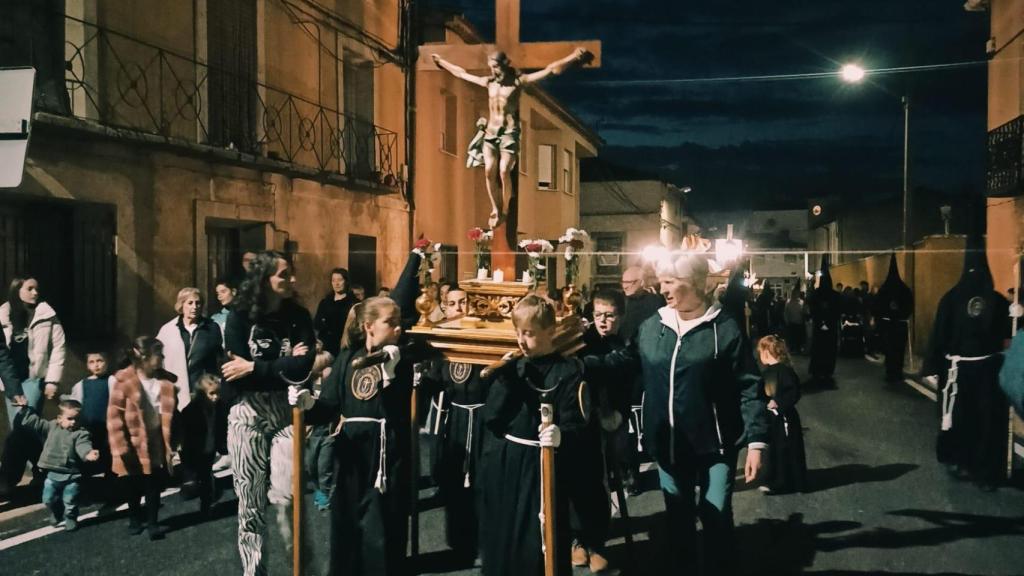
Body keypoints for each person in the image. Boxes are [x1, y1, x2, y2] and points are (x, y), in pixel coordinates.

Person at [584, 252, 768, 575]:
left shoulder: (724, 329)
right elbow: (623, 361)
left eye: (671, 282)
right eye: (662, 282)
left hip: (716, 445)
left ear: (695, 284)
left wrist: (756, 442)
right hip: (668, 443)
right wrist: (578, 366)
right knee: (679, 519)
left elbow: (749, 385)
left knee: (715, 514)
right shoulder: (654, 325)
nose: (663, 289)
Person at [290, 296, 412, 576]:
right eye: (390, 323)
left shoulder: (400, 358)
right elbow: (329, 406)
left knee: (382, 522)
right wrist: (307, 403)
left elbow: (398, 408)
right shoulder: (348, 358)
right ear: (369, 326)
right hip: (350, 451)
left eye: (398, 322)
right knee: (346, 519)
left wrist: (391, 374)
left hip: (385, 451)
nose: (398, 329)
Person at [478, 295, 589, 576]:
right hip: (506, 463)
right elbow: (492, 419)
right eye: (517, 332)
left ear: (550, 331)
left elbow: (578, 423)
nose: (521, 341)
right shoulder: (514, 369)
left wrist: (562, 434)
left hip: (541, 466)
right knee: (502, 536)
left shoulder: (569, 370)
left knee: (536, 539)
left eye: (529, 333)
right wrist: (504, 381)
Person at [221, 251, 316, 575]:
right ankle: (254, 571)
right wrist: (282, 365)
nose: (291, 280)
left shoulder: (298, 316)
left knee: (289, 499)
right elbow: (232, 371)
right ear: (265, 280)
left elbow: (304, 367)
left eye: (291, 273)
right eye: (283, 275)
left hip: (285, 412)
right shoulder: (239, 317)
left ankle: (302, 568)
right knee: (250, 505)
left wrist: (255, 366)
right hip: (246, 413)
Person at [432, 48, 589, 229]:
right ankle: (496, 208)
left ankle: (506, 207)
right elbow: (461, 74)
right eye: (491, 67)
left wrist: (572, 57)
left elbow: (550, 70)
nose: (493, 71)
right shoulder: (489, 83)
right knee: (489, 170)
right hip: (491, 132)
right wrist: (442, 62)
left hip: (508, 132)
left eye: (496, 67)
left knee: (504, 170)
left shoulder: (518, 82)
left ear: (505, 66)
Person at [924, 232, 1010, 490]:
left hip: (977, 369)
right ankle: (968, 463)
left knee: (981, 420)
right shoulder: (985, 300)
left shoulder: (990, 301)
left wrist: (1017, 314)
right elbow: (941, 333)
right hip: (965, 370)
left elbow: (1006, 336)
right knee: (971, 419)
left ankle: (978, 468)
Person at [419, 284, 491, 564]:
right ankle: (461, 545)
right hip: (456, 419)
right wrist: (420, 381)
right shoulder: (443, 339)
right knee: (454, 484)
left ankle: (484, 543)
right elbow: (436, 380)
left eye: (464, 302)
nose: (459, 308)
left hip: (483, 420)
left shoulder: (483, 336)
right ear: (445, 307)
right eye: (453, 303)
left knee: (482, 484)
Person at [571, 288, 629, 573]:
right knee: (579, 481)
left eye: (609, 315)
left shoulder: (626, 342)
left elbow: (622, 368)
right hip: (580, 424)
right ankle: (578, 541)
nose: (603, 321)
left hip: (610, 420)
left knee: (604, 484)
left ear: (621, 315)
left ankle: (596, 542)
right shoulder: (582, 340)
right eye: (597, 315)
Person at [0, 277, 66, 492]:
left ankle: (19, 474)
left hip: (33, 378)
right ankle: (45, 469)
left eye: (37, 288)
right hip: (10, 381)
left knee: (24, 424)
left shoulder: (47, 314)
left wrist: (52, 380)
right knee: (21, 428)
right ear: (17, 290)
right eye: (30, 288)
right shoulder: (4, 313)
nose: (35, 292)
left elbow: (59, 348)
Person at [108, 336, 177, 540]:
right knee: (134, 482)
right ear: (145, 357)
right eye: (159, 354)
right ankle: (135, 517)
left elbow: (170, 414)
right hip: (133, 439)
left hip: (156, 439)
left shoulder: (164, 382)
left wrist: (171, 443)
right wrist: (121, 446)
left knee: (153, 482)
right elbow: (114, 416)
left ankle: (153, 522)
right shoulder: (124, 381)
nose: (162, 358)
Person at [15, 399, 99, 531]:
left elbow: (83, 445)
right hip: (52, 475)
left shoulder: (81, 433)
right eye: (70, 419)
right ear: (59, 418)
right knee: (48, 499)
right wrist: (25, 409)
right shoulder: (51, 426)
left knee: (70, 501)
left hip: (72, 476)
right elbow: (35, 422)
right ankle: (57, 511)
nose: (74, 422)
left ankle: (70, 517)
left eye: (77, 419)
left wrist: (88, 454)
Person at [156, 287, 223, 411]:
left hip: (203, 389)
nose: (195, 307)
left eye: (198, 303)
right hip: (176, 388)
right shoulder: (168, 329)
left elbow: (218, 358)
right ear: (182, 305)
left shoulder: (211, 328)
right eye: (190, 303)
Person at [756, 336, 806, 494]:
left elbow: (794, 393)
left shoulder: (785, 372)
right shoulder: (766, 372)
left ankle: (783, 482)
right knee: (775, 449)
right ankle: (780, 479)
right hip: (773, 417)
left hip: (784, 418)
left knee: (784, 449)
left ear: (768, 352)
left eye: (761, 352)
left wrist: (778, 403)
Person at [69, 350, 116, 502]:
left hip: (108, 429)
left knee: (110, 459)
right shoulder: (81, 385)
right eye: (92, 362)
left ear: (107, 362)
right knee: (87, 460)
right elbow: (76, 405)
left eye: (99, 361)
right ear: (87, 365)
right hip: (89, 430)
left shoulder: (112, 381)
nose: (96, 365)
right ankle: (88, 492)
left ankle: (112, 492)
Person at [179, 372, 221, 516]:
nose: (216, 397)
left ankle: (207, 504)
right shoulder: (191, 411)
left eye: (217, 393)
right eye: (212, 393)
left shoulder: (218, 407)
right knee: (200, 477)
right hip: (195, 449)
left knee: (206, 476)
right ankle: (205, 502)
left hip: (209, 447)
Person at [305, 346, 336, 511]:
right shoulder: (310, 384)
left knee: (324, 465)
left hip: (328, 430)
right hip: (313, 432)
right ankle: (320, 490)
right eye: (322, 369)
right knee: (311, 465)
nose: (327, 371)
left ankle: (325, 494)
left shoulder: (331, 385)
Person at [873, 255, 913, 383]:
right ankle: (898, 372)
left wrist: (880, 322)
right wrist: (903, 316)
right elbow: (910, 306)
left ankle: (890, 372)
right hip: (900, 326)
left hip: (888, 326)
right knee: (899, 350)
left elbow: (877, 307)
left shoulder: (884, 289)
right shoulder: (905, 289)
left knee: (889, 351)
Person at [807, 257, 841, 387]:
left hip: (819, 327)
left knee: (819, 349)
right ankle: (827, 372)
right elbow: (838, 312)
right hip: (830, 327)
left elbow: (812, 310)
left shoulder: (815, 295)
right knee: (829, 350)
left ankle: (817, 371)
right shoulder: (835, 295)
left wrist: (821, 321)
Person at [315, 267, 356, 357]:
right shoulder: (325, 302)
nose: (336, 283)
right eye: (333, 280)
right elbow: (317, 324)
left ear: (346, 281)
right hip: (323, 346)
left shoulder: (353, 303)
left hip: (343, 347)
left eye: (340, 280)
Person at [784, 289, 806, 354]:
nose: (795, 295)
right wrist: (786, 321)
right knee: (792, 336)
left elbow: (804, 311)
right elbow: (786, 312)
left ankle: (798, 348)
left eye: (796, 293)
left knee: (798, 336)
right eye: (794, 293)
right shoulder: (788, 302)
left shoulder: (801, 302)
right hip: (791, 322)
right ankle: (792, 348)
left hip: (799, 322)